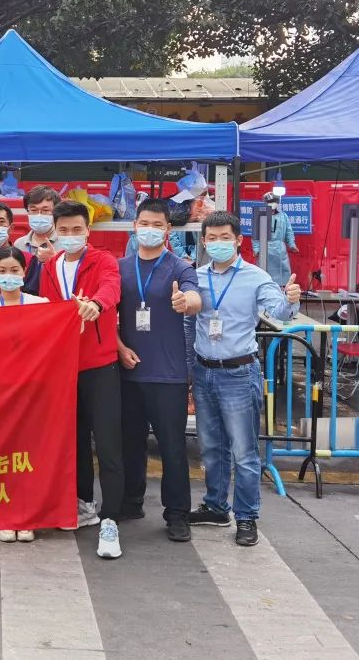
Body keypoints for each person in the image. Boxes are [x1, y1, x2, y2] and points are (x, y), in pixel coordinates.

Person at [189, 211, 300, 547]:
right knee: (211, 447)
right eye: (212, 238)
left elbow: (278, 311)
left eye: (225, 237)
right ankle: (216, 506)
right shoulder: (196, 277)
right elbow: (188, 319)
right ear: (204, 241)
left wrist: (290, 300)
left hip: (238, 373)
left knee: (244, 451)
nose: (218, 243)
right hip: (204, 370)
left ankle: (247, 515)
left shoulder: (255, 277)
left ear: (238, 240)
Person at [38, 200, 124, 559]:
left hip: (99, 364)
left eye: (77, 229)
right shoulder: (50, 266)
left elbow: (111, 288)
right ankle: (84, 503)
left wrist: (97, 305)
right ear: (55, 232)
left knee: (107, 442)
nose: (71, 235)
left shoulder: (103, 261)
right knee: (74, 439)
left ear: (88, 231)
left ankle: (111, 518)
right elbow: (45, 308)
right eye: (64, 230)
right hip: (63, 366)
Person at [116, 199, 202, 543]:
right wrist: (119, 348)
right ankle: (131, 501)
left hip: (168, 375)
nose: (149, 230)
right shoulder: (120, 267)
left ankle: (177, 514)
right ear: (134, 226)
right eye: (144, 223)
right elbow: (107, 314)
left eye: (157, 224)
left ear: (168, 229)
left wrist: (186, 302)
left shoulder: (180, 268)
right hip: (129, 370)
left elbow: (194, 298)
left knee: (172, 447)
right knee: (130, 443)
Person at [0, 246, 47, 544]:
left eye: (14, 270)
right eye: (2, 271)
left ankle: (27, 516)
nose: (9, 276)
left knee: (28, 458)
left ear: (25, 272)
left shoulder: (41, 305)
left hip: (32, 393)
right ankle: (3, 515)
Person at [13, 185, 61, 296]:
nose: (39, 215)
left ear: (55, 212)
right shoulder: (19, 244)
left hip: (55, 301)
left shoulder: (66, 243)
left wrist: (54, 260)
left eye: (45, 210)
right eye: (33, 210)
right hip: (27, 302)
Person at [252, 191, 299, 286]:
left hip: (280, 248)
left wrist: (292, 244)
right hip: (265, 248)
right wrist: (256, 249)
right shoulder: (261, 216)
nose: (272, 203)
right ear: (265, 203)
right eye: (270, 201)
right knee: (264, 272)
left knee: (283, 270)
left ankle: (282, 288)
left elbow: (289, 231)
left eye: (274, 201)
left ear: (277, 203)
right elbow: (256, 234)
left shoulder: (283, 216)